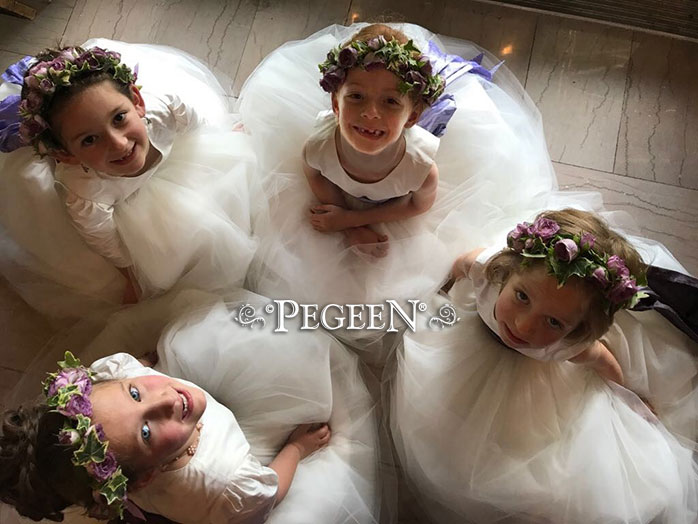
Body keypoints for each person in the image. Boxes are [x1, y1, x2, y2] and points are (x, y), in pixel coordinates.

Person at [239, 23, 557, 359]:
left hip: (392, 206)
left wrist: (353, 219)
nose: (371, 113)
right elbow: (315, 175)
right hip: (343, 202)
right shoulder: (319, 145)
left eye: (391, 102)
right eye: (356, 97)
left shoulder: (419, 165)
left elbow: (416, 206)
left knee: (387, 288)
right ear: (335, 104)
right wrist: (349, 224)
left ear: (413, 116)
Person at [390, 208, 698, 523]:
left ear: (575, 328)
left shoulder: (569, 345)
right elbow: (461, 265)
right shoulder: (485, 271)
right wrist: (442, 289)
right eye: (522, 297)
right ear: (508, 273)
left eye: (553, 321)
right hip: (467, 344)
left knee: (530, 464)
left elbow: (602, 361)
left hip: (533, 386)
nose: (523, 328)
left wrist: (629, 396)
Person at [0, 40, 258, 318]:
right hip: (112, 194)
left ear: (138, 102)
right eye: (89, 140)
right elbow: (104, 238)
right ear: (66, 155)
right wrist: (131, 274)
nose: (119, 144)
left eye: (119, 118)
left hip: (174, 155)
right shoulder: (84, 191)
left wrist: (225, 134)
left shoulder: (165, 110)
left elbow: (198, 121)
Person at [0, 351, 329, 523]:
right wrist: (298, 447)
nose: (167, 399)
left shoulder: (119, 376)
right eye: (146, 432)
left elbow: (128, 375)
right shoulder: (228, 486)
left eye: (134, 394)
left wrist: (143, 366)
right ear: (144, 480)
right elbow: (271, 490)